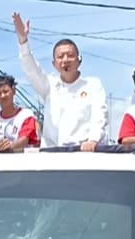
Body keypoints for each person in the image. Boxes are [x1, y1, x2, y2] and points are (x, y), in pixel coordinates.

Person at [12, 12, 108, 151]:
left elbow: (100, 115)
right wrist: (23, 41)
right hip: (53, 154)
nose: (65, 60)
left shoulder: (93, 85)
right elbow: (31, 70)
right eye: (60, 56)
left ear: (79, 60)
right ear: (54, 63)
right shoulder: (49, 85)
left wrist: (93, 140)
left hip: (85, 151)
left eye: (70, 55)